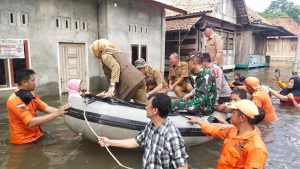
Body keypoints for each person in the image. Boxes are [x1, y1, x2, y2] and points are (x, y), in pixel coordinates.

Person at [98, 93, 189, 169]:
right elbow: (136, 141)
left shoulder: (172, 136)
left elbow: (183, 166)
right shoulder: (151, 125)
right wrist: (110, 142)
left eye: (148, 105)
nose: (145, 107)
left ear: (155, 110)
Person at [188, 100, 267, 169]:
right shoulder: (233, 131)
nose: (231, 115)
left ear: (242, 118)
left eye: (233, 112)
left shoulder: (256, 149)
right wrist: (200, 122)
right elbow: (214, 130)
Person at [6, 69, 70, 144]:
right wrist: (57, 114)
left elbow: (46, 108)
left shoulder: (31, 95)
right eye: (33, 80)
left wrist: (64, 111)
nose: (35, 83)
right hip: (24, 142)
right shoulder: (14, 100)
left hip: (37, 136)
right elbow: (31, 122)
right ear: (24, 82)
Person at [90, 39, 147, 104]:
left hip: (128, 83)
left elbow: (116, 67)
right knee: (144, 107)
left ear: (97, 49)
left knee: (118, 105)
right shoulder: (117, 52)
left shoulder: (105, 56)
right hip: (139, 79)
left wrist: (111, 89)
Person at [171, 51, 217, 116]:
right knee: (175, 101)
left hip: (204, 108)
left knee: (173, 104)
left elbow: (202, 98)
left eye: (189, 61)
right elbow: (199, 89)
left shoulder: (206, 75)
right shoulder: (201, 73)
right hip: (199, 103)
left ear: (194, 61)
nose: (188, 64)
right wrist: (190, 94)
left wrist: (188, 108)